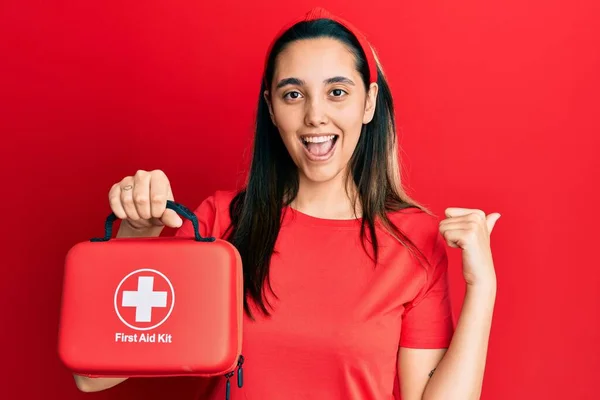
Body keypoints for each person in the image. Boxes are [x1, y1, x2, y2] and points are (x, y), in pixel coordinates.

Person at [73, 7, 500, 400]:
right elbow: (94, 375)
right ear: (271, 109)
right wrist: (137, 234)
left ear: (368, 103)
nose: (315, 115)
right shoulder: (220, 224)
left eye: (337, 92)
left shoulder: (414, 241)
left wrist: (483, 288)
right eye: (293, 95)